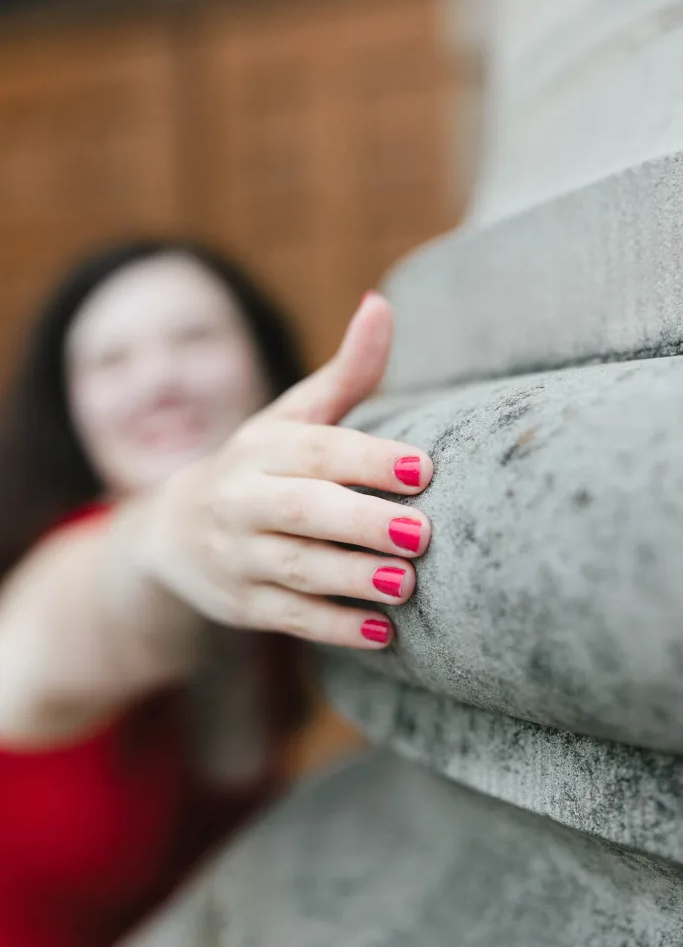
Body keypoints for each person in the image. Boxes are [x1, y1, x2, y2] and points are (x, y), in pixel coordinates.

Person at [0, 239, 433, 947]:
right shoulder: (59, 570)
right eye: (110, 361)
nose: (159, 380)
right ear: (70, 411)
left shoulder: (284, 566)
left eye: (196, 338)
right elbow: (104, 582)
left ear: (264, 365)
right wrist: (178, 520)